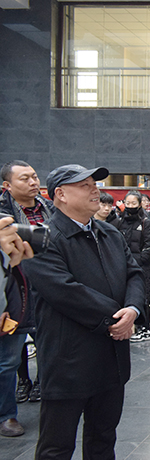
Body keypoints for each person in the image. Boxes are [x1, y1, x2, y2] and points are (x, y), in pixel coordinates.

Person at [21, 164, 145, 459]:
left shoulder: (110, 233)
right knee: (57, 446)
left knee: (103, 439)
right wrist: (117, 317)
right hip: (68, 361)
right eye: (84, 185)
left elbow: (134, 274)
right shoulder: (41, 238)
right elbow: (65, 291)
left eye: (95, 184)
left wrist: (132, 309)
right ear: (60, 195)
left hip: (111, 357)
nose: (95, 190)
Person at [0, 160, 54, 414]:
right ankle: (7, 415)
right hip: (13, 294)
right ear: (7, 185)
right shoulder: (3, 217)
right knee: (8, 360)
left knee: (50, 352)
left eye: (34, 176)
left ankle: (47, 394)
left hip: (47, 289)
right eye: (25, 178)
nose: (33, 182)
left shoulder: (51, 209)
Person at [0, 216, 34, 437]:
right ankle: (6, 414)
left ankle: (6, 414)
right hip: (10, 303)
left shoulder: (44, 209)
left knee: (9, 362)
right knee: (7, 362)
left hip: (20, 301)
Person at [111, 190, 150, 343]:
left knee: (143, 296)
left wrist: (140, 259)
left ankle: (145, 329)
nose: (130, 206)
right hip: (122, 265)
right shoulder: (119, 220)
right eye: (128, 203)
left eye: (134, 203)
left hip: (142, 265)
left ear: (139, 204)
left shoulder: (145, 221)